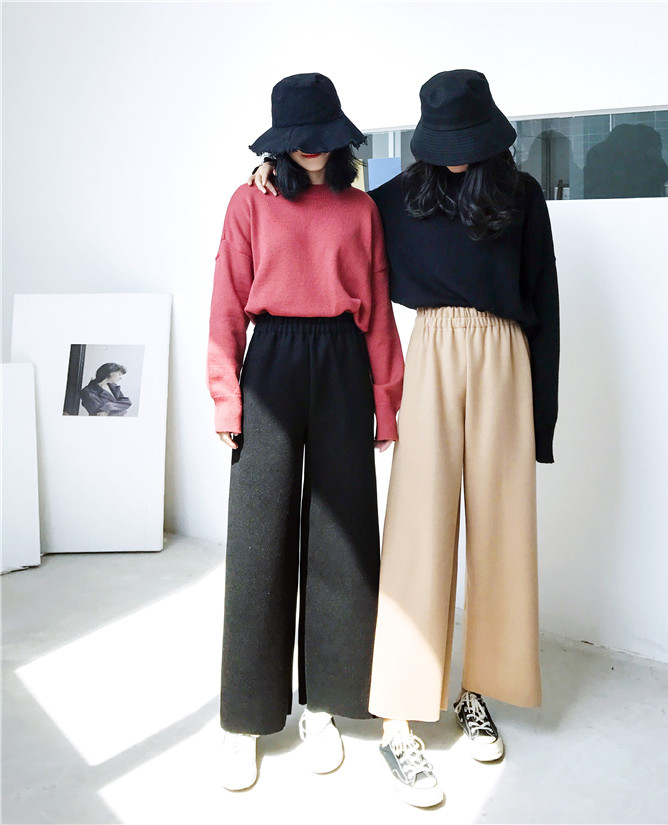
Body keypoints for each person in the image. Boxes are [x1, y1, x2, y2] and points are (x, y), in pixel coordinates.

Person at [251, 69, 559, 809]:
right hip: (431, 355)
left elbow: (545, 301)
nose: (456, 154)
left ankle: (478, 692)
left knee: (502, 533)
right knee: (417, 534)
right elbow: (328, 211)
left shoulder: (522, 197)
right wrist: (270, 173)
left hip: (506, 357)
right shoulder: (396, 200)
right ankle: (398, 716)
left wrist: (542, 420)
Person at [207, 72, 404, 793]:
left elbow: (378, 303)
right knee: (259, 539)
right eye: (298, 139)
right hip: (272, 364)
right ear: (279, 144)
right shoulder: (249, 202)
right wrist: (227, 398)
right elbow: (227, 301)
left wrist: (386, 401)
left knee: (344, 539)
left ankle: (325, 704)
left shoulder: (361, 208)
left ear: (338, 137)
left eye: (321, 136)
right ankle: (248, 720)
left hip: (344, 362)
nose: (311, 150)